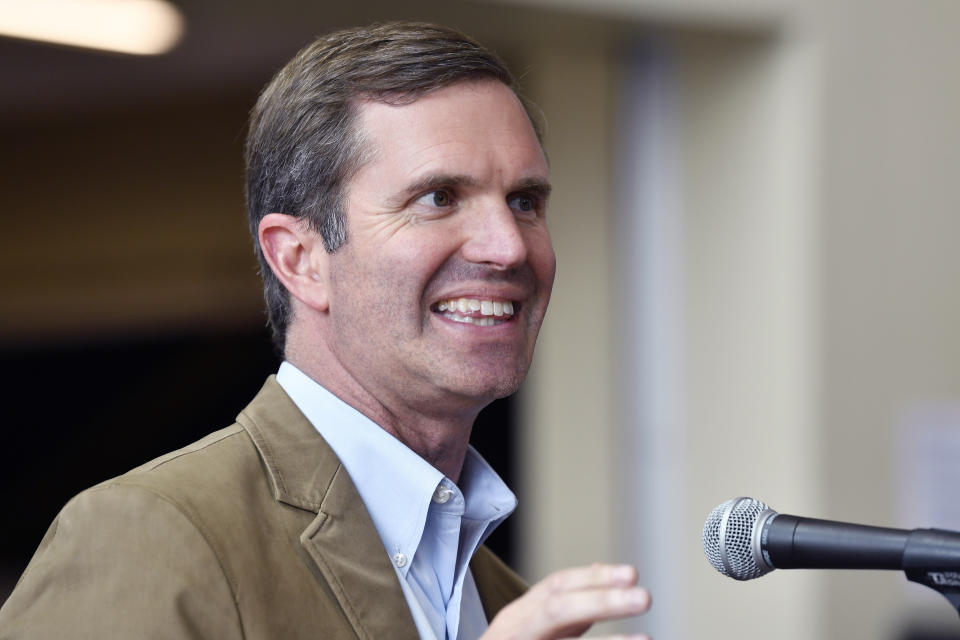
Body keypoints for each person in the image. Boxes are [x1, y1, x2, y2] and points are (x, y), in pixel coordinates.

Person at [0, 22, 651, 639]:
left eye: (524, 201)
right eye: (439, 198)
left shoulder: (501, 597)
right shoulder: (147, 536)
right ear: (300, 260)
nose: (508, 247)